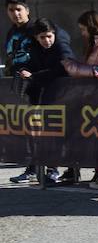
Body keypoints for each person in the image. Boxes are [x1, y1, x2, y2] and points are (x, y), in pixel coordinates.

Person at [10, 18, 74, 185]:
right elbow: (32, 64)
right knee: (39, 135)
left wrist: (34, 76)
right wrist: (24, 69)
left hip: (61, 98)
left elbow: (63, 68)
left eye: (49, 36)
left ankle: (56, 170)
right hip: (42, 98)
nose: (47, 41)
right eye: (42, 37)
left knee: (57, 136)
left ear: (54, 34)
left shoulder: (61, 47)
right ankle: (37, 168)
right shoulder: (36, 48)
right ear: (36, 38)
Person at [59, 10, 98, 186]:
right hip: (93, 97)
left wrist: (72, 67)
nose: (82, 33)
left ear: (91, 27)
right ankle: (94, 169)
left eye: (83, 29)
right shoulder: (95, 44)